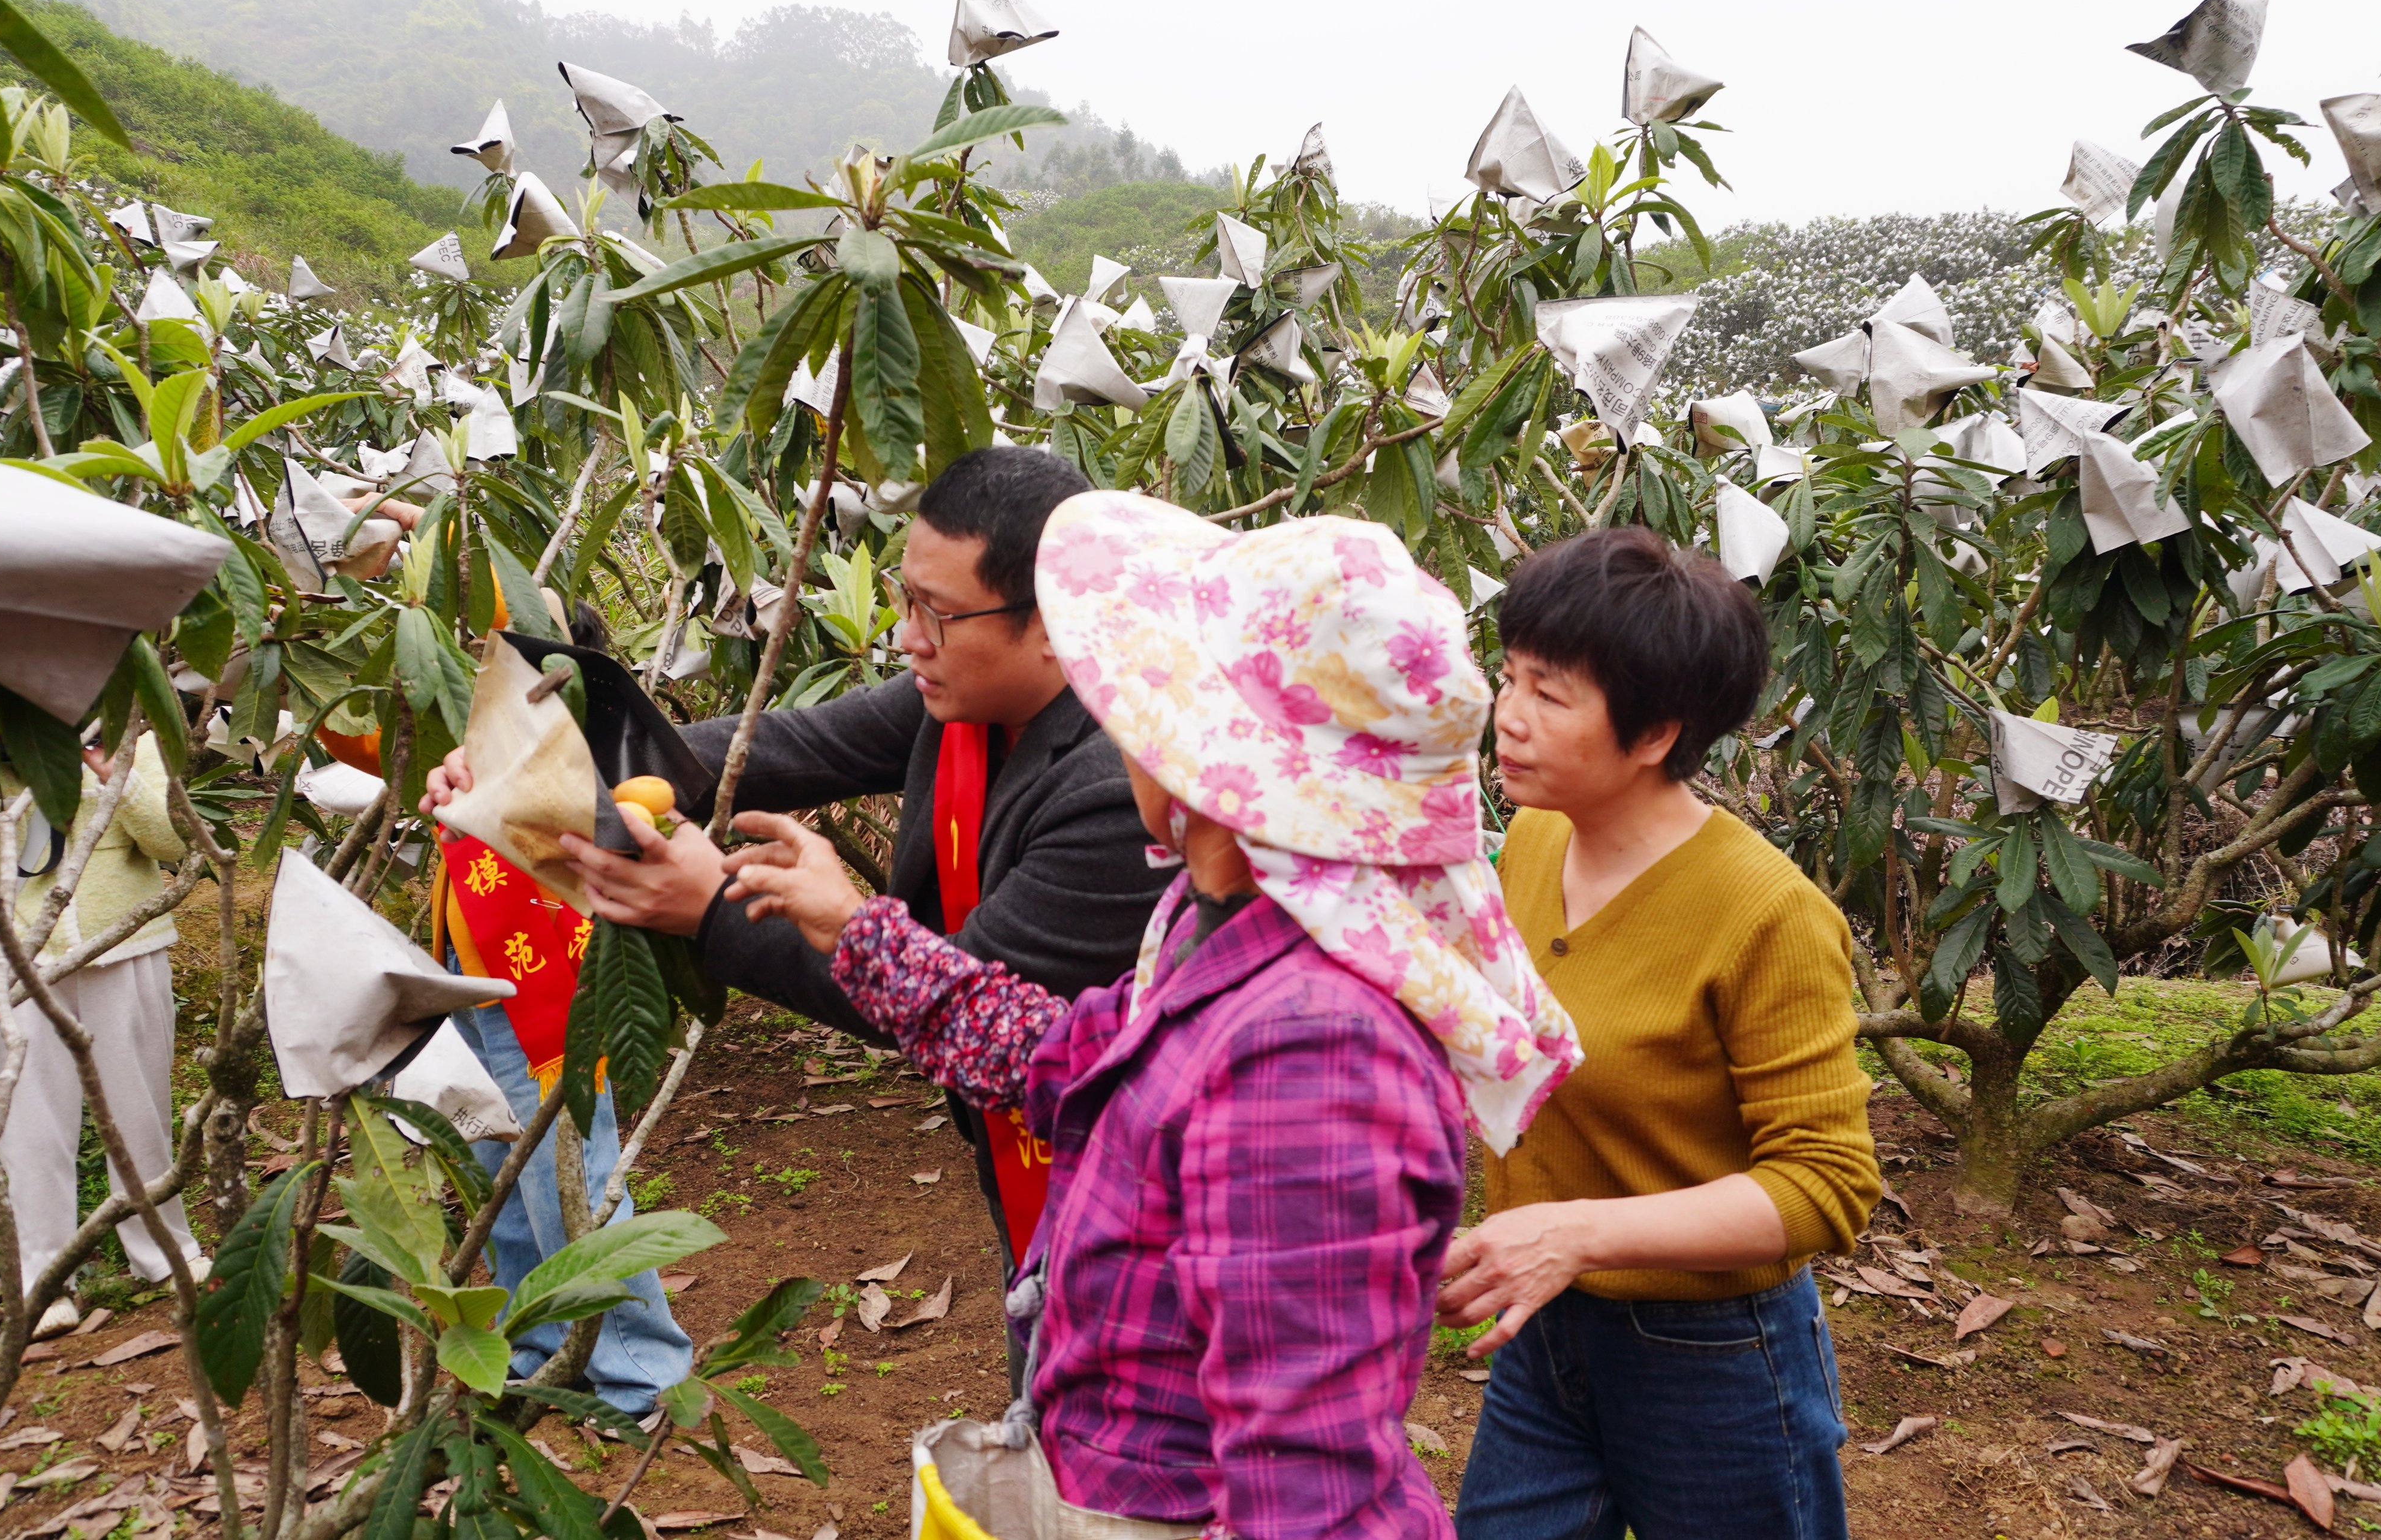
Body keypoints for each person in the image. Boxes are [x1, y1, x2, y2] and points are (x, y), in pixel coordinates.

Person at [720, 494, 1578, 1540]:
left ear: (1214, 757)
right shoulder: (1214, 925)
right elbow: (1070, 1058)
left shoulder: (1313, 1051)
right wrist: (857, 931)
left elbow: (1303, 1488)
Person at [546, 447, 1175, 1276]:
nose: (906, 638)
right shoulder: (967, 696)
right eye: (903, 598)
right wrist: (556, 772)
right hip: (1016, 1147)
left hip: (1122, 1186)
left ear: (1056, 621)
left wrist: (711, 907)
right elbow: (787, 744)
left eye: (938, 614)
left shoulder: (1116, 788)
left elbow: (950, 998)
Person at [1436, 526, 1880, 1540]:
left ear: (1653, 735)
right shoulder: (1537, 838)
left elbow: (1827, 1184)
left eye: (1551, 696)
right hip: (1546, 1334)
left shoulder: (1765, 913)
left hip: (1713, 1356)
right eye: (1509, 679)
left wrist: (1578, 1232)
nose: (1507, 717)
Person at [420, 598, 693, 1418]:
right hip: (469, 967)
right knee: (498, 1173)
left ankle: (643, 1371)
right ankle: (542, 1346)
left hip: (543, 986)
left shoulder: (582, 752)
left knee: (568, 1171)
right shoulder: (492, 739)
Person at [0, 734, 207, 1336]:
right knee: (28, 1123)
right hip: (20, 956)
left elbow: (172, 840)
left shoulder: (135, 738)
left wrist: (106, 768)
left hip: (126, 946)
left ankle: (164, 1251)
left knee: (140, 1112)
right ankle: (46, 1279)